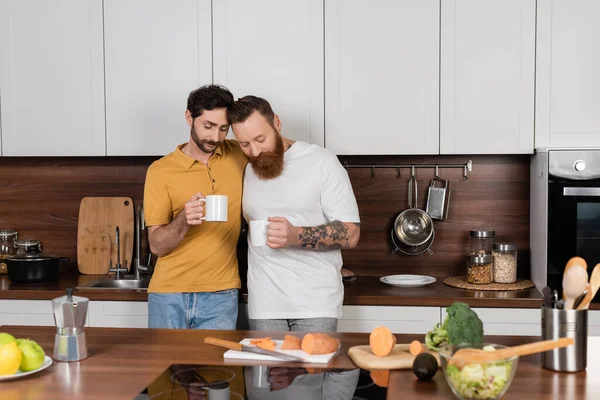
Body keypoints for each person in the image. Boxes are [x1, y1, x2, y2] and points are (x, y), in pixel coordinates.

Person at [228, 95, 361, 333]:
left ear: (276, 123)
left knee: (312, 370)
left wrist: (296, 235)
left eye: (260, 139)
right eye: (244, 144)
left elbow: (351, 234)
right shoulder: (248, 170)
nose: (255, 151)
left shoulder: (321, 162)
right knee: (266, 371)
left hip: (315, 304)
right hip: (264, 305)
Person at [143, 84, 247, 329]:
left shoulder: (239, 153)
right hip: (168, 294)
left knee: (218, 369)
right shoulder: (160, 171)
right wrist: (183, 219)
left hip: (221, 293)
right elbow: (157, 245)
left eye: (223, 128)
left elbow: (272, 145)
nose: (215, 137)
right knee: (163, 368)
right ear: (189, 117)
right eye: (208, 126)